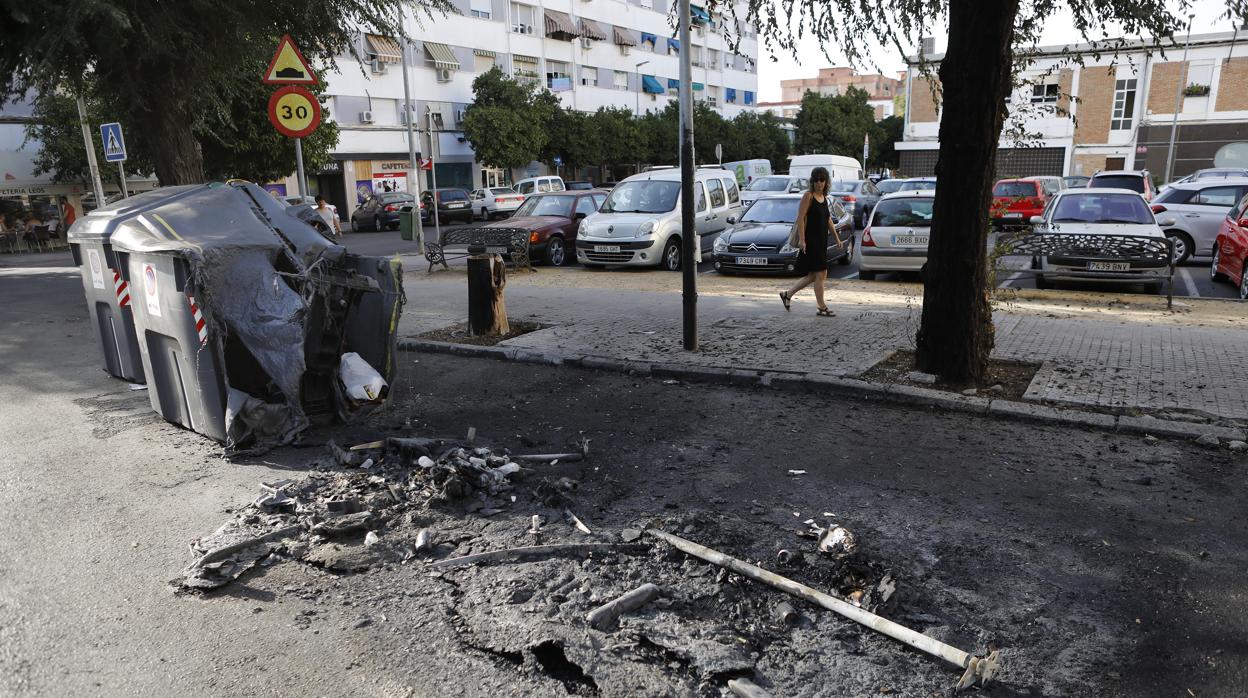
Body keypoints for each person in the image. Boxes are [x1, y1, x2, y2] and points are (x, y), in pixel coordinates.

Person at [778, 166, 843, 317]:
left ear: (826, 182)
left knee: (815, 275)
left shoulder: (824, 199)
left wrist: (837, 238)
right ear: (812, 182)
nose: (819, 183)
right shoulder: (808, 196)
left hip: (821, 241)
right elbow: (800, 218)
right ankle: (822, 306)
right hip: (811, 240)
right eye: (816, 180)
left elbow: (828, 220)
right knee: (821, 273)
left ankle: (787, 294)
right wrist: (802, 239)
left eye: (822, 180)